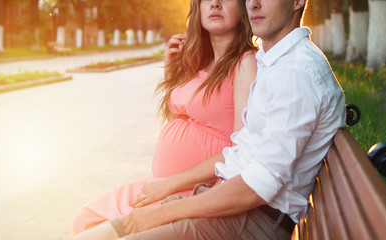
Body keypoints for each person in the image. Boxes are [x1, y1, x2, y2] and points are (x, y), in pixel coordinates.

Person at [72, 0, 346, 239]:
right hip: (224, 204)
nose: (253, 3)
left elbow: (258, 187)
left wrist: (165, 209)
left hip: (249, 221)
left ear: (298, 1)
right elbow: (242, 152)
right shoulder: (274, 63)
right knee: (100, 231)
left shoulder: (295, 73)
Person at [71, 0, 257, 236]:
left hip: (198, 191)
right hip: (165, 184)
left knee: (96, 232)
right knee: (87, 218)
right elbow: (179, 124)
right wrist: (172, 72)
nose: (216, 4)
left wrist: (169, 184)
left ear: (243, 7)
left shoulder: (246, 63)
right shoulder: (201, 62)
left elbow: (241, 151)